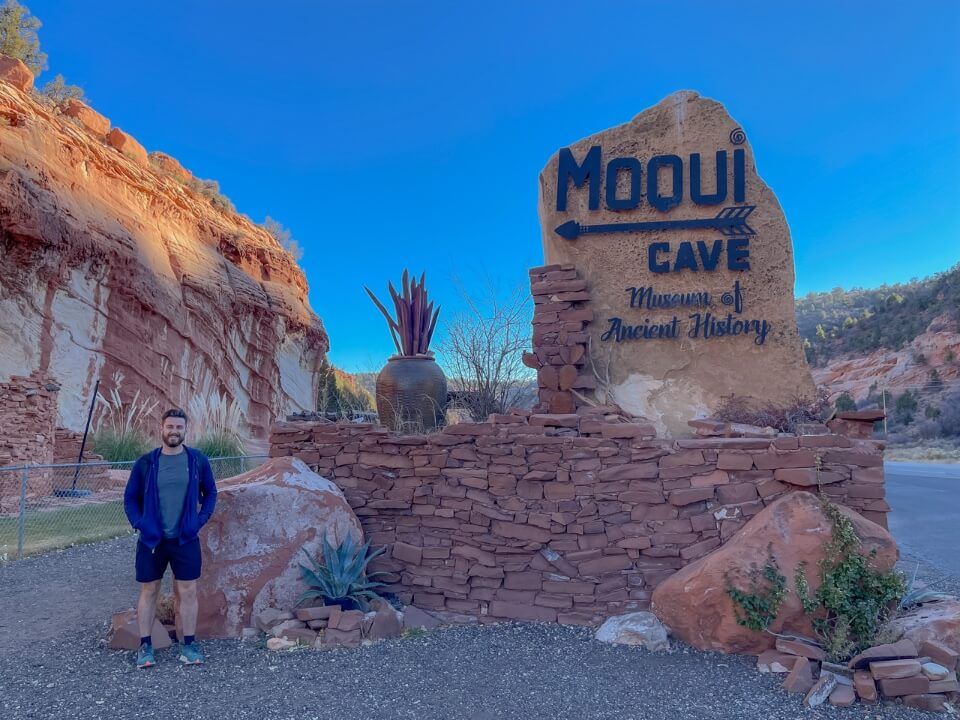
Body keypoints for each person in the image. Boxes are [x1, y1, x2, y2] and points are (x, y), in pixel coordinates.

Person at [123, 408, 217, 668]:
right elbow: (130, 497)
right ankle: (145, 646)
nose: (174, 431)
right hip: (152, 540)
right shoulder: (146, 462)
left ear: (185, 430)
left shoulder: (197, 461)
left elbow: (210, 493)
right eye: (170, 427)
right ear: (161, 429)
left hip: (185, 538)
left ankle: (189, 645)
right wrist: (139, 523)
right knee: (149, 589)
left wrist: (198, 522)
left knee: (188, 590)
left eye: (179, 427)